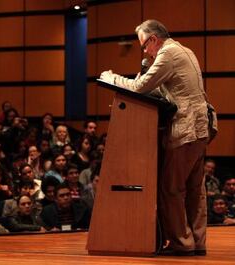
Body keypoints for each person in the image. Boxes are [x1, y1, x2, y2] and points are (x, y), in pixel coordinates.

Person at [100, 19, 210, 256]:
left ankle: (182, 243)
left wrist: (111, 78)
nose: (145, 52)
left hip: (186, 129)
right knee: (194, 189)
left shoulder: (167, 53)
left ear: (152, 39)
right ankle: (197, 242)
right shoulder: (184, 50)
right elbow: (163, 89)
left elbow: (140, 87)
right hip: (202, 129)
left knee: (171, 188)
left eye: (143, 46)